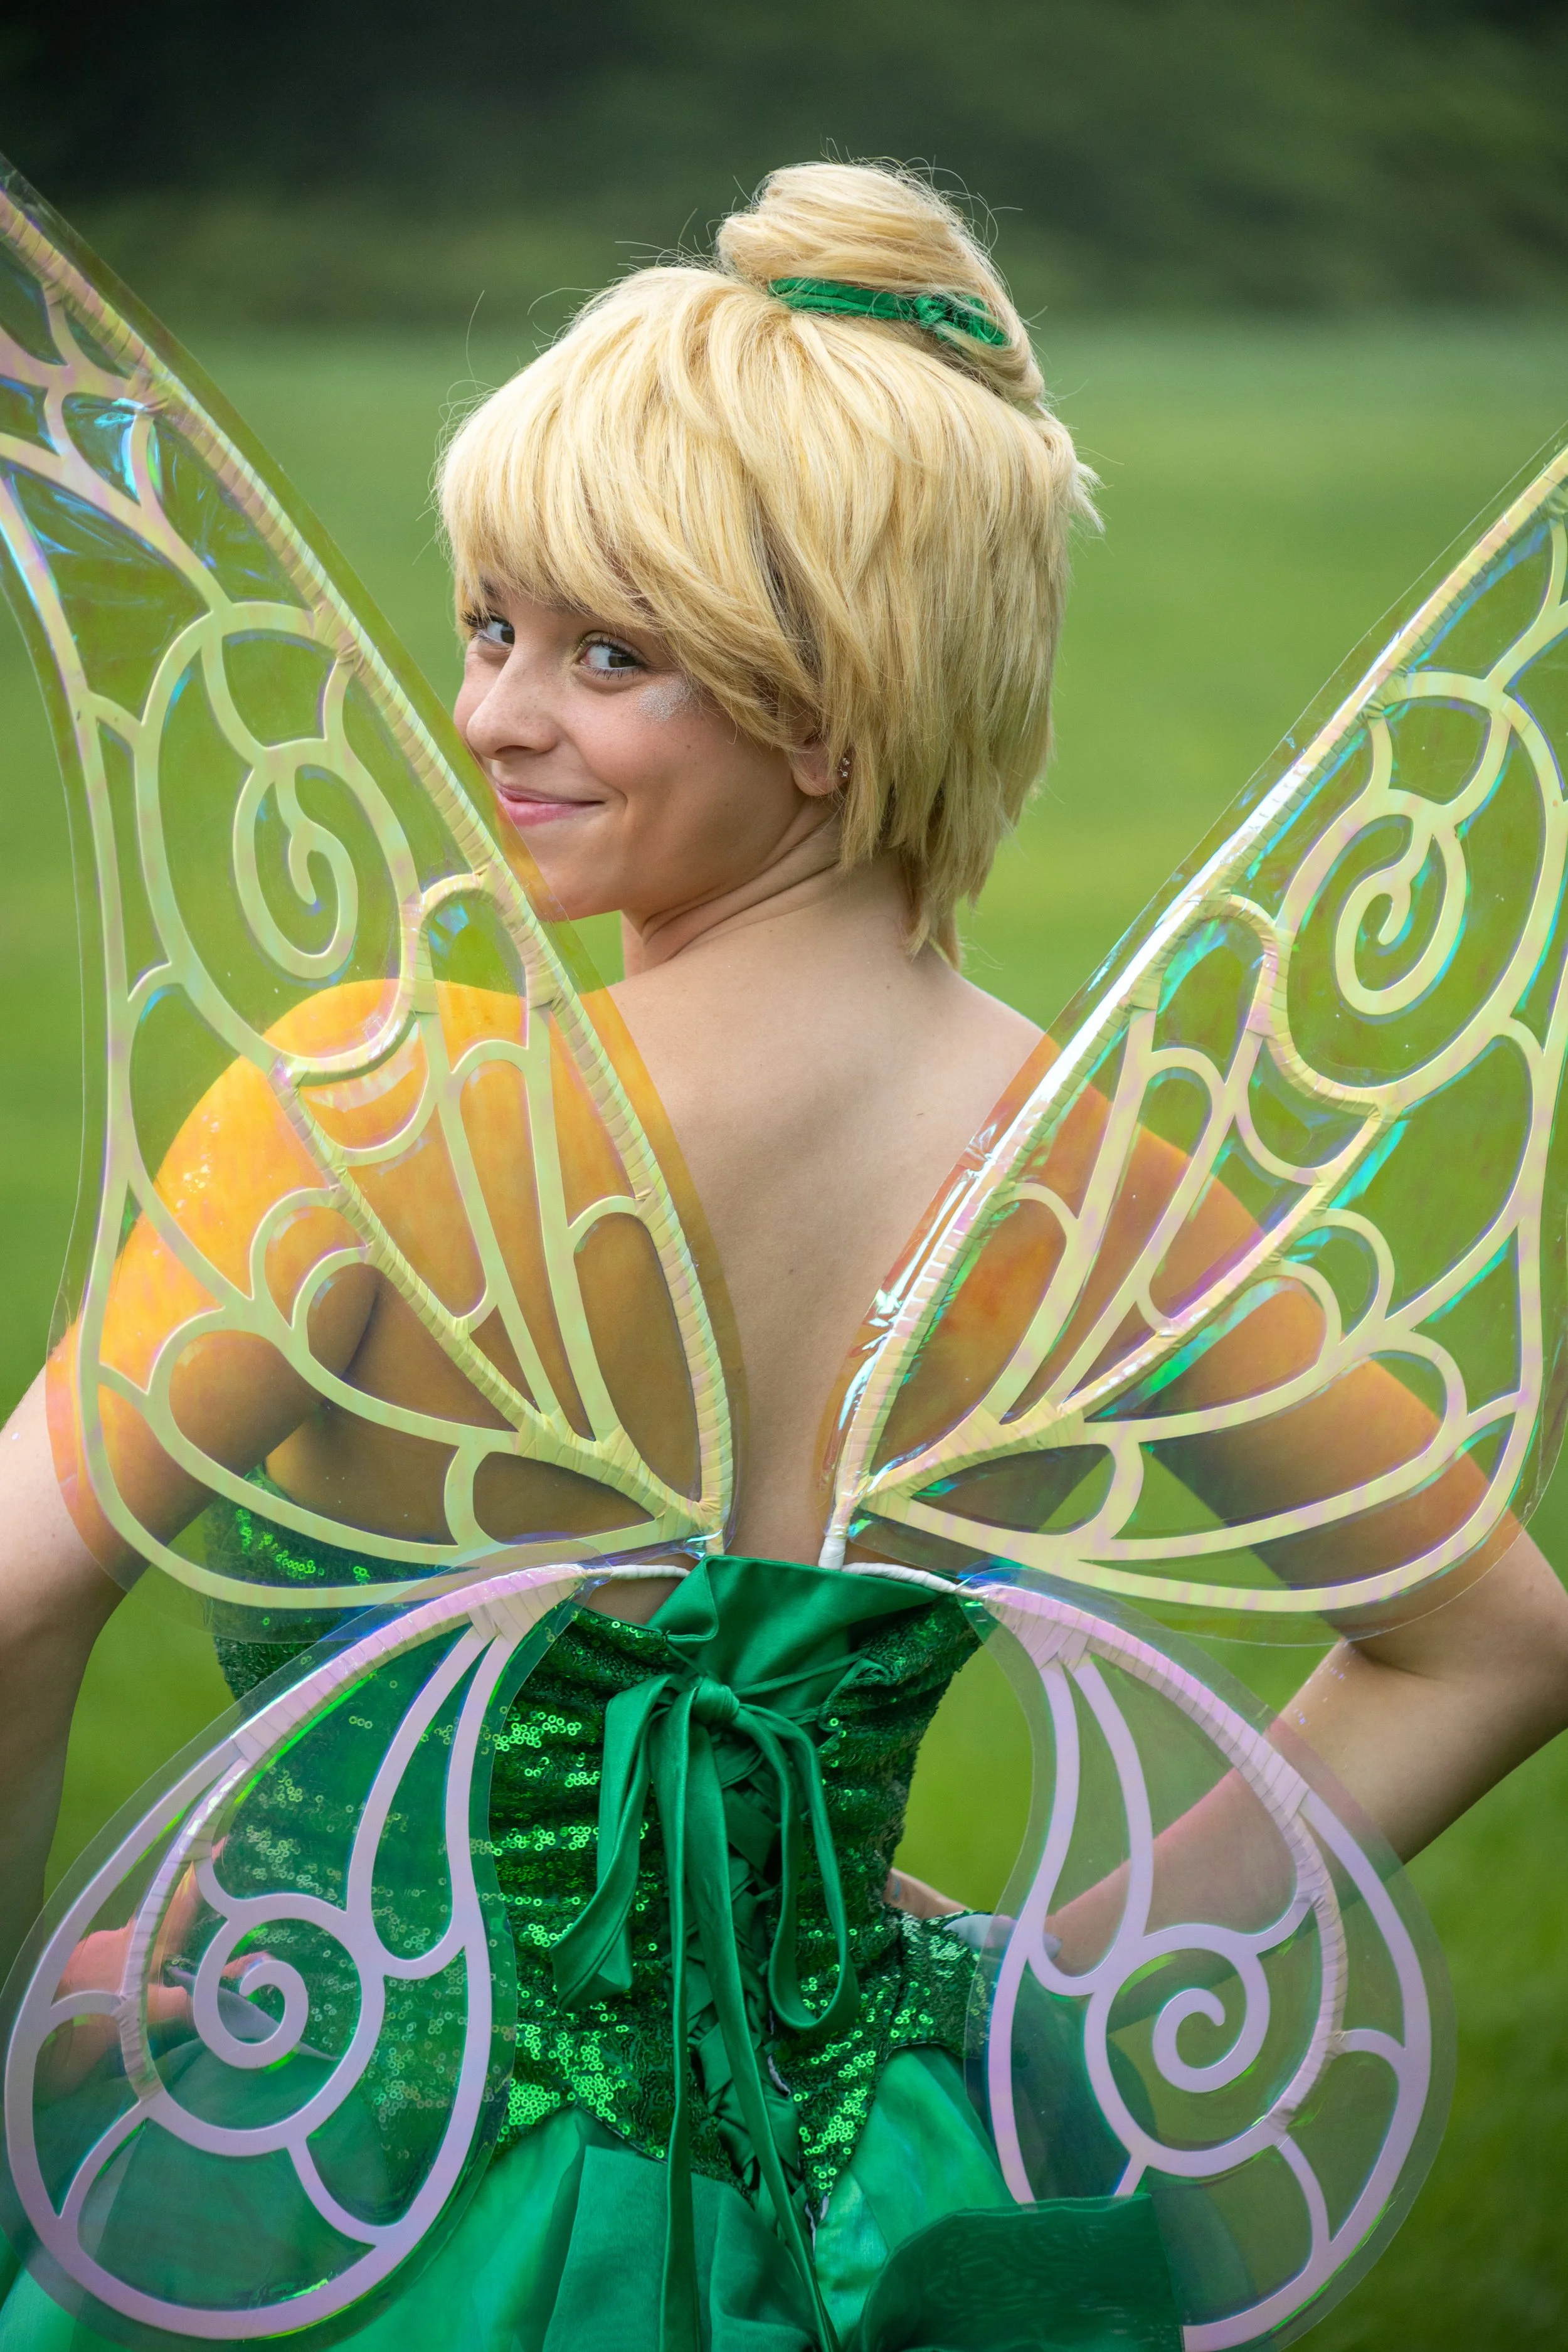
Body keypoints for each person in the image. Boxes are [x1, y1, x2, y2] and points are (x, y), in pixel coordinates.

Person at [1, 159, 1567, 2351]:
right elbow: (1490, 1640)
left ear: (833, 703)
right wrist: (1046, 1994)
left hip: (334, 2190)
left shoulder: (384, 1108)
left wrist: (13, 2038)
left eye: (606, 656)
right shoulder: (1090, 1183)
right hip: (873, 2219)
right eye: (489, 626)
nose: (489, 720)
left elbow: (14, 1595)